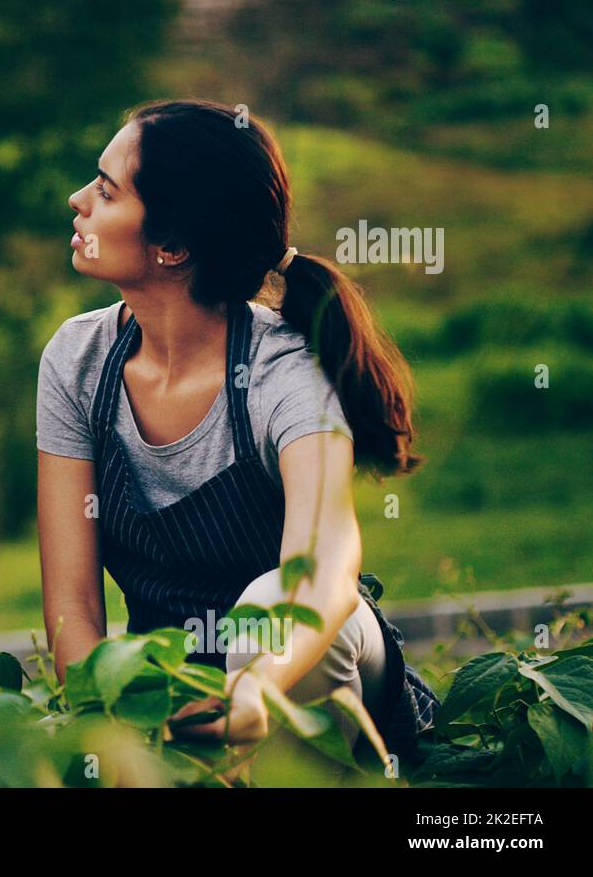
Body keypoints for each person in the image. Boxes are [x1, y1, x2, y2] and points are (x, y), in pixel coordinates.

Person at [36, 98, 439, 766]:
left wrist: (254, 691)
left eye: (106, 191)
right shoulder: (76, 362)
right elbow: (73, 607)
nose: (78, 201)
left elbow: (323, 570)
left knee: (266, 606)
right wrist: (110, 720)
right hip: (180, 690)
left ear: (172, 245)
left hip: (318, 666)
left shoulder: (285, 373)